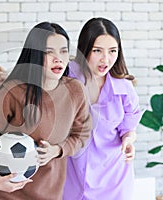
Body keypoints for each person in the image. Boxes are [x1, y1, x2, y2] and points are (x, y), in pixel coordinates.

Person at [0, 22, 92, 200]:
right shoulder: (12, 92)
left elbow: (82, 134)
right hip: (2, 193)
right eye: (49, 52)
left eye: (63, 51)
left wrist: (58, 150)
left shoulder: (76, 91)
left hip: (47, 193)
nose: (58, 58)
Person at [63, 17, 142, 200]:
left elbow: (128, 129)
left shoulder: (124, 88)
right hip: (72, 178)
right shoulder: (67, 76)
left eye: (112, 51)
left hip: (113, 180)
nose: (105, 59)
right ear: (85, 49)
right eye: (97, 50)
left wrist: (129, 141)